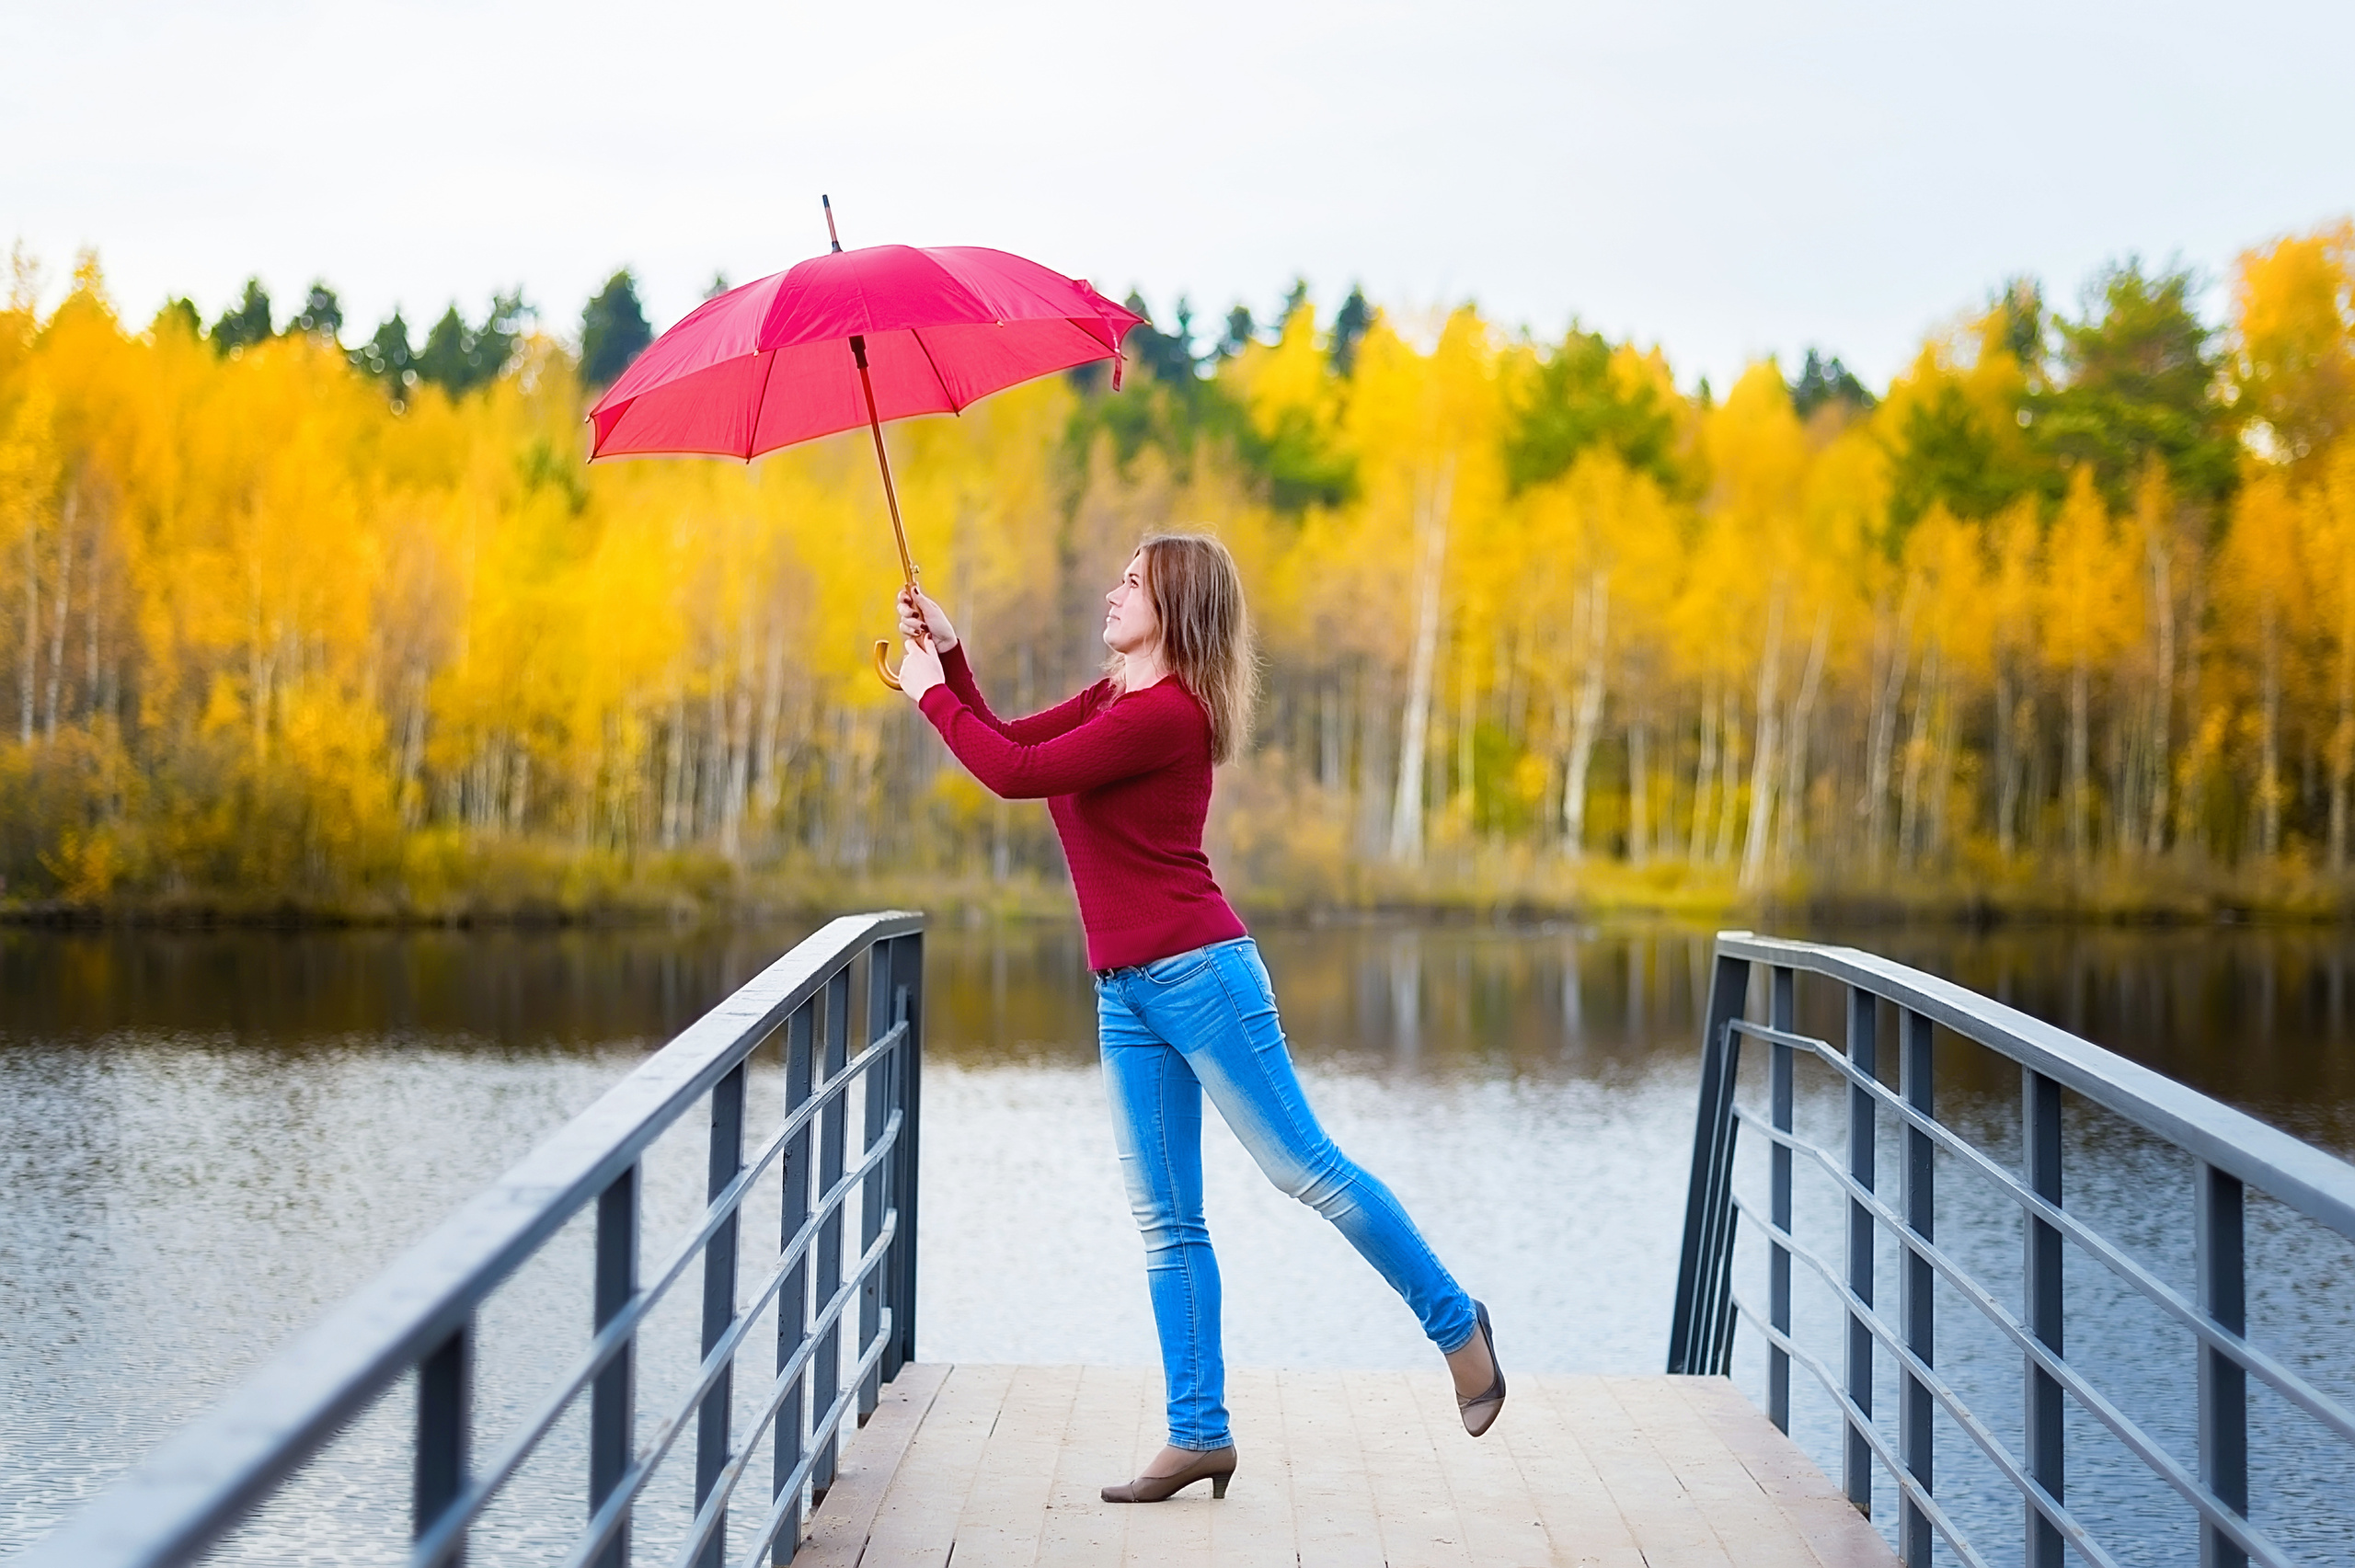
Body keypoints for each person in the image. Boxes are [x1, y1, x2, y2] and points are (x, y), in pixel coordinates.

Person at [890, 532, 1502, 1505]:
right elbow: (1013, 744)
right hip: (1125, 990)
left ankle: (1457, 1325)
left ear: (1174, 606)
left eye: (1131, 581)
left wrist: (929, 692)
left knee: (1306, 1169)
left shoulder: (1168, 715)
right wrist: (952, 657)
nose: (1111, 591)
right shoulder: (1110, 700)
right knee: (1167, 1220)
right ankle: (1199, 1432)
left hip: (1201, 975)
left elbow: (1009, 772)